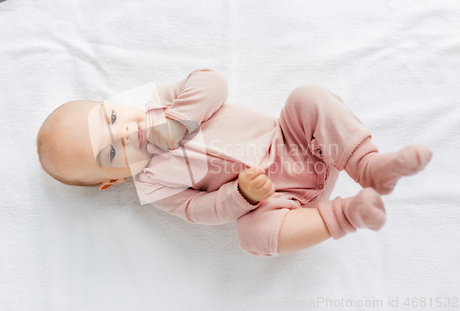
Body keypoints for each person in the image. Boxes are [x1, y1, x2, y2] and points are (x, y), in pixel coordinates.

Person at [37, 68, 432, 257]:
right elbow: (197, 210)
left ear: (114, 103)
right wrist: (240, 195)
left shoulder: (158, 102)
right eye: (110, 152)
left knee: (307, 98)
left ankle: (367, 164)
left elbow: (211, 82)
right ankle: (347, 213)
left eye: (110, 118)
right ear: (114, 181)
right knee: (253, 236)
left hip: (295, 141)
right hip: (281, 200)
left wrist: (178, 122)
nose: (123, 133)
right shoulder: (152, 186)